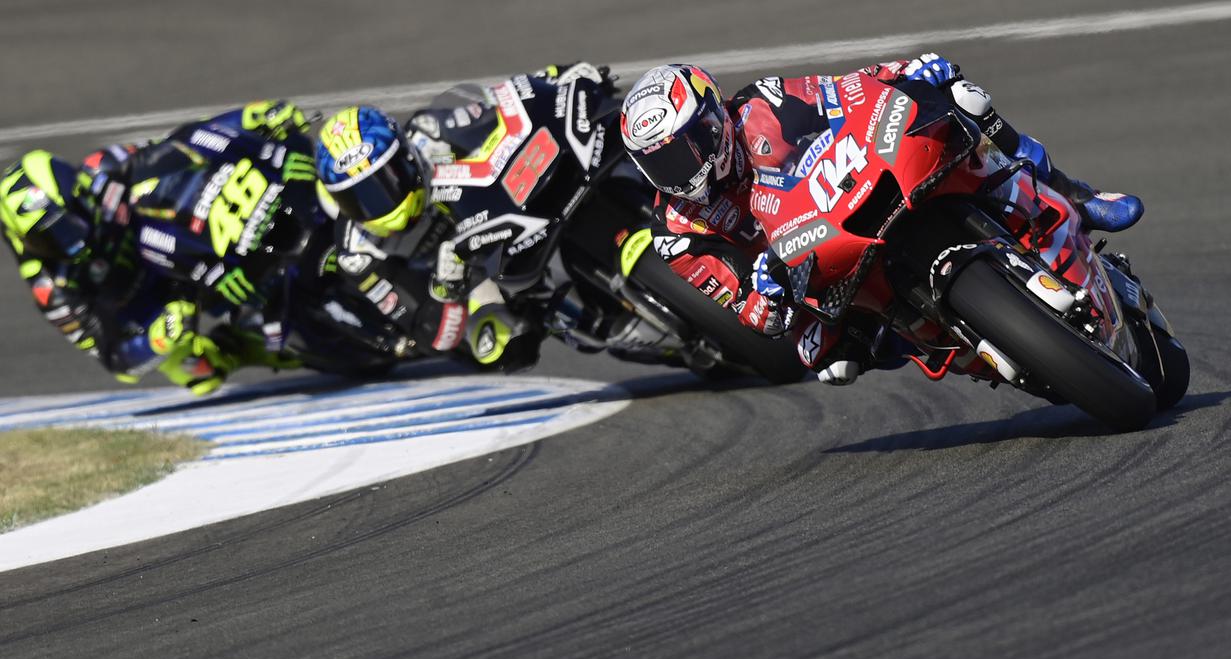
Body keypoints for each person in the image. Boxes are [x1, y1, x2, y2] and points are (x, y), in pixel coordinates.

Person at [619, 55, 1144, 385]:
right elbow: (753, 316)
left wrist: (904, 73)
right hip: (822, 276)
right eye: (665, 162)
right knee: (825, 360)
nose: (687, 167)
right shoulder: (678, 235)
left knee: (962, 98)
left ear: (715, 115)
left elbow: (845, 91)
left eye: (694, 142)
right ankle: (965, 345)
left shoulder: (763, 103)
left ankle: (1074, 194)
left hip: (855, 190)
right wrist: (764, 293)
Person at [313, 63, 615, 372]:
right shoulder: (356, 253)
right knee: (497, 343)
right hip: (473, 280)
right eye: (358, 198)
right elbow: (429, 332)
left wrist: (556, 79)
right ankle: (575, 317)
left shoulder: (431, 134)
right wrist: (445, 286)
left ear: (404, 156)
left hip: (507, 212)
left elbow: (504, 103)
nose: (378, 204)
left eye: (383, 184)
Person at [0, 101, 309, 394]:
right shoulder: (52, 289)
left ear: (77, 195)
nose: (69, 244)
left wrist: (246, 118)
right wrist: (156, 340)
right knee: (198, 370)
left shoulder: (102, 169)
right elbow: (116, 361)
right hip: (155, 299)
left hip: (185, 244)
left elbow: (182, 142)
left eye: (66, 227)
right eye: (44, 241)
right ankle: (241, 344)